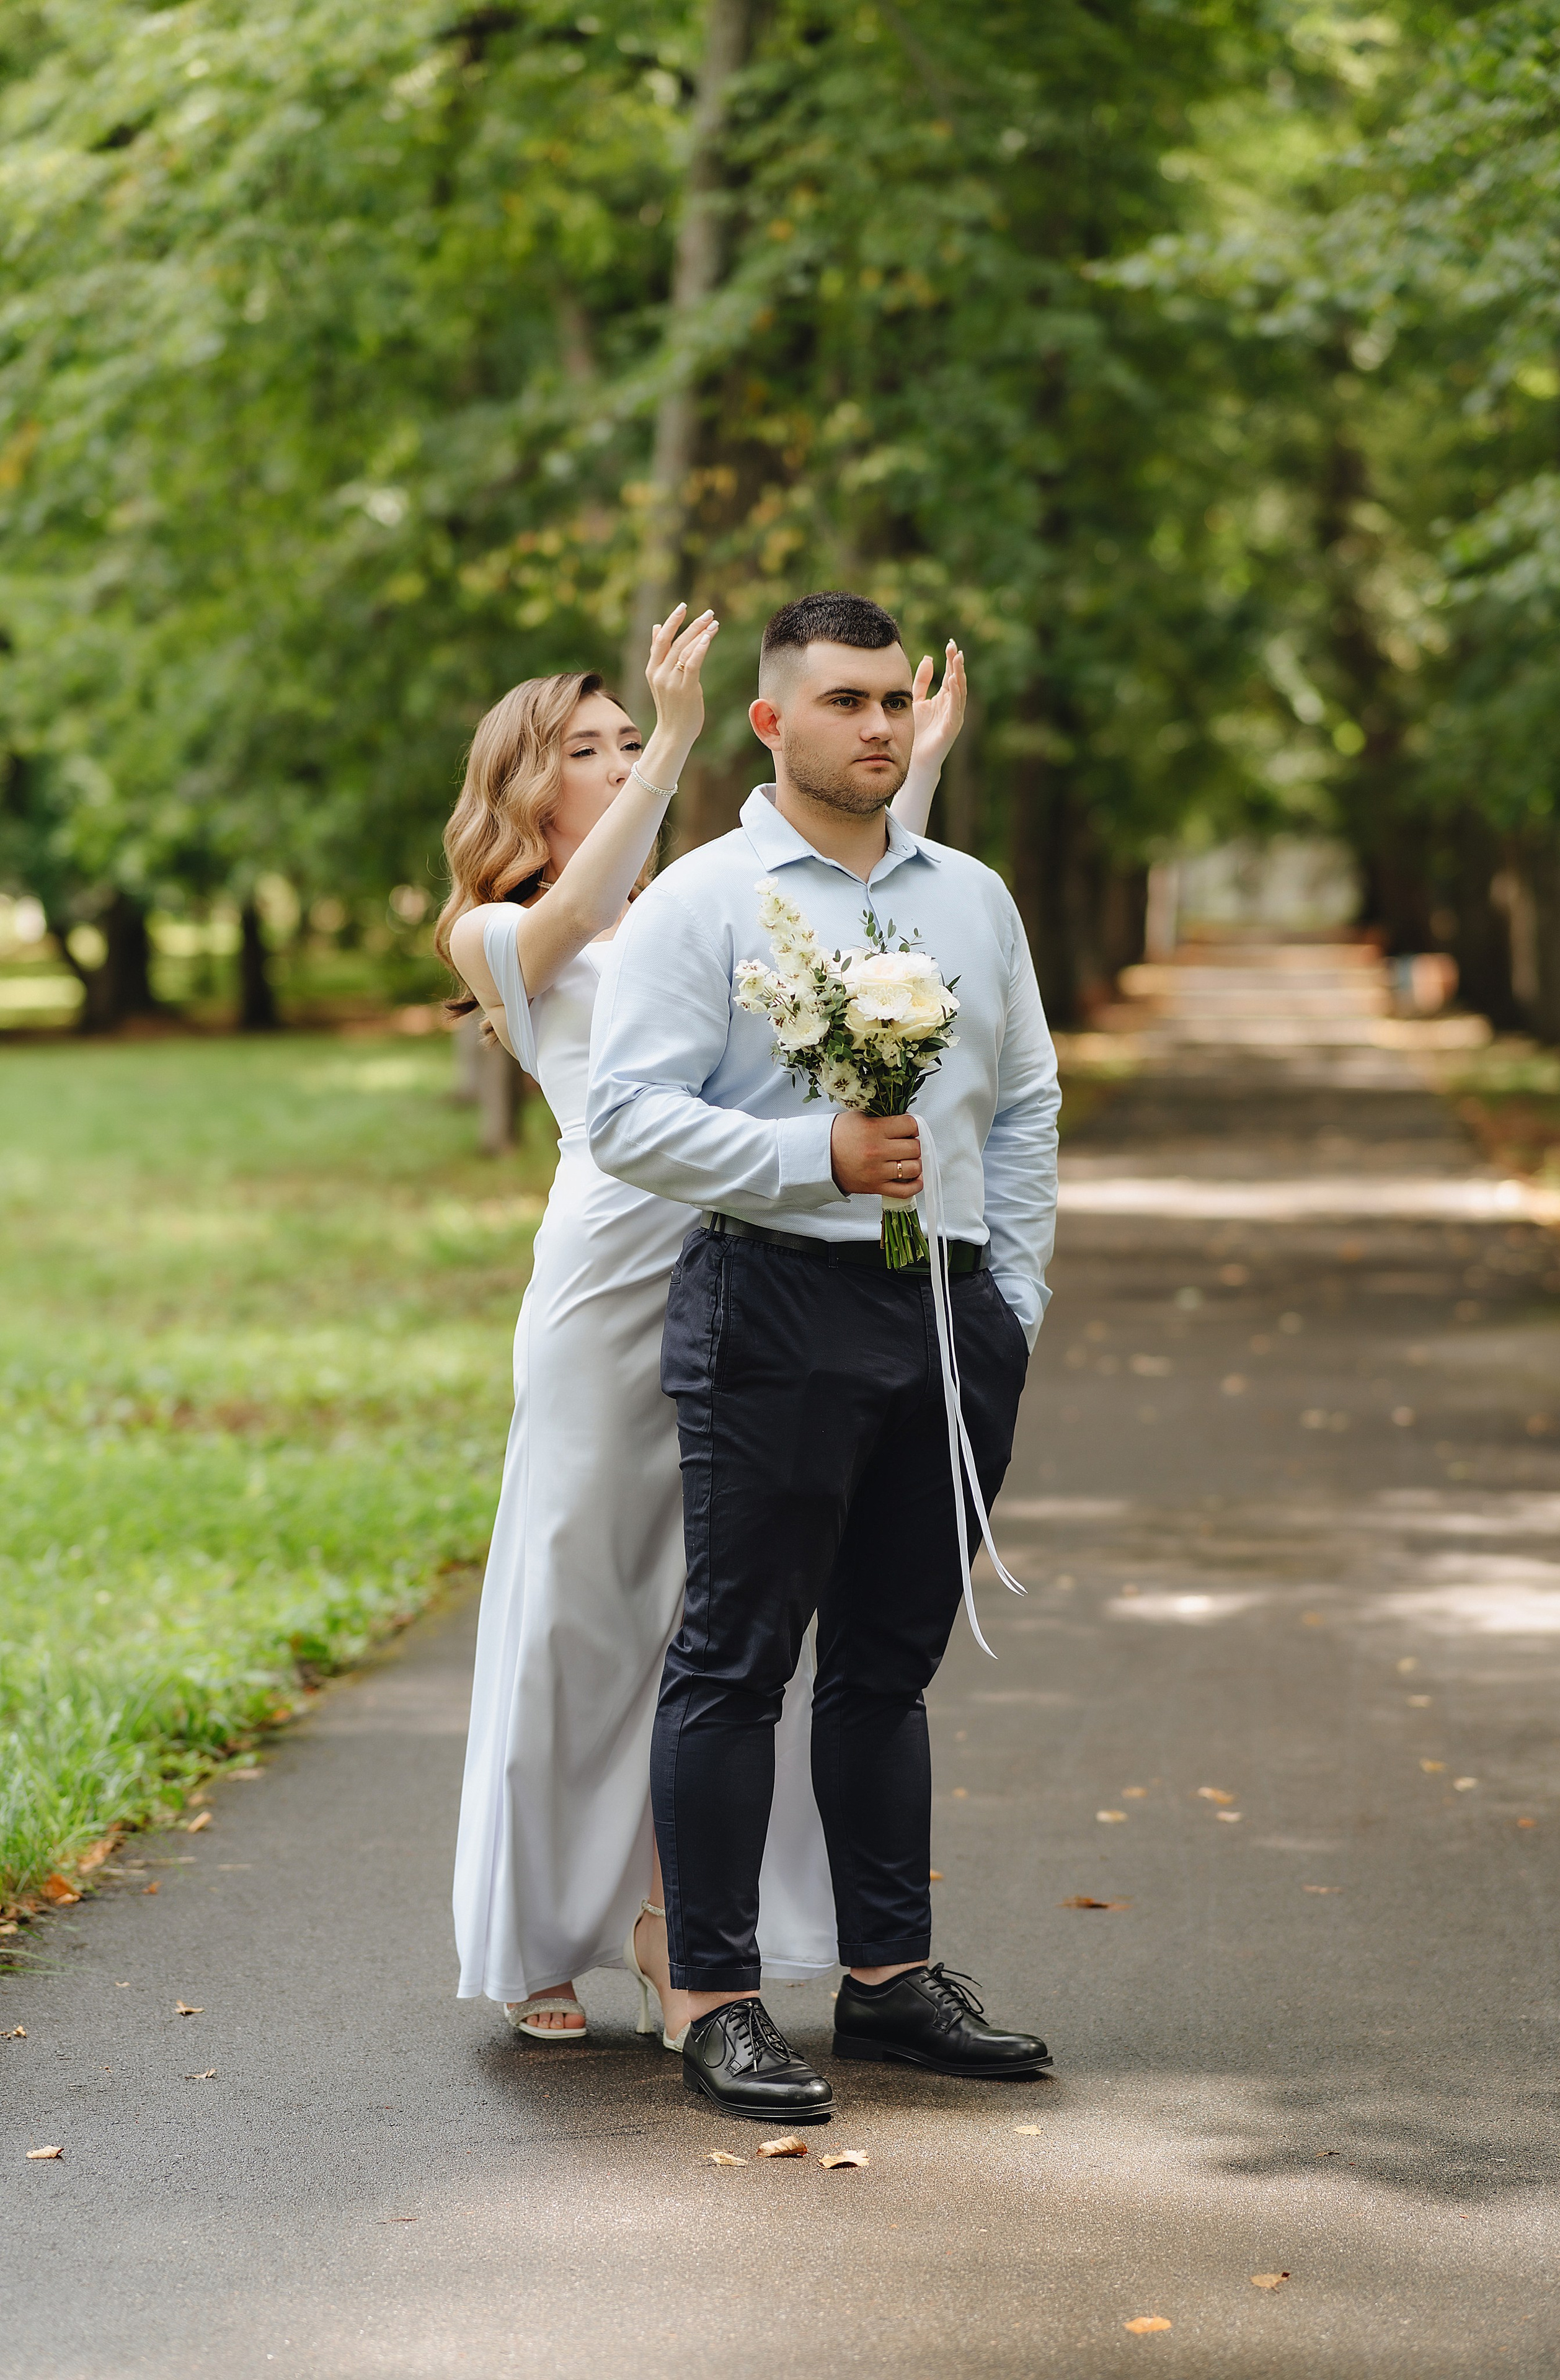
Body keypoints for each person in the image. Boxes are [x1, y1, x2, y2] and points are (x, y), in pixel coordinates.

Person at [443, 602, 968, 2048]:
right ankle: (537, 1929)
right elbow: (560, 935)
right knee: (576, 1606)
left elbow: (847, 910)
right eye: (590, 747)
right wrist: (681, 736)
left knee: (708, 1615)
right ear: (524, 786)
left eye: (633, 737)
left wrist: (906, 769)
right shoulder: (497, 928)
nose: (619, 760)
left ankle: (680, 1930)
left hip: (745, 1263)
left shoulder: (698, 903)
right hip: (605, 1282)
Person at [587, 589, 1060, 2120]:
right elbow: (622, 1118)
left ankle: (887, 1983)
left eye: (892, 701)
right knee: (734, 1655)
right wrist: (816, 1160)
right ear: (770, 720)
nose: (878, 724)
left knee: (886, 1661)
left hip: (948, 1311)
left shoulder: (972, 899)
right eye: (844, 701)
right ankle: (717, 1996)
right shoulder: (701, 902)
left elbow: (1029, 1100)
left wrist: (1013, 1297)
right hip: (772, 1304)